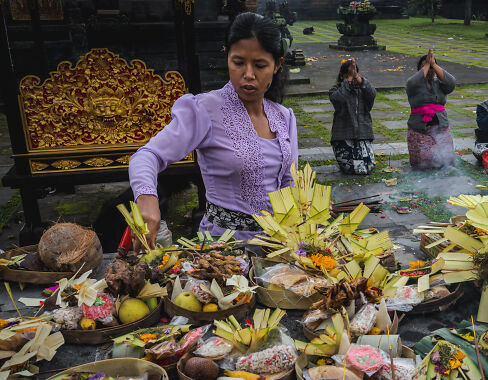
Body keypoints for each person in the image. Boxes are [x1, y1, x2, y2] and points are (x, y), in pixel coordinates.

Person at [129, 12, 298, 248]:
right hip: (222, 249)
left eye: (260, 65)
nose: (248, 74)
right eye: (238, 63)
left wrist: (306, 209)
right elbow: (147, 156)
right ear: (227, 57)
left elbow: (289, 183)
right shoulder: (204, 110)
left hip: (278, 247)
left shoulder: (283, 117)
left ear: (277, 65)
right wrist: (147, 198)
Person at [405, 48, 456, 169]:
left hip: (441, 127)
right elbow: (412, 82)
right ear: (420, 70)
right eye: (425, 68)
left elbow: (452, 83)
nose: (429, 70)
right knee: (424, 161)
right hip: (420, 128)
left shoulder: (440, 85)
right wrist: (427, 64)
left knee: (446, 160)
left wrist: (433, 64)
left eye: (431, 68)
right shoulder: (414, 85)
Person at [329, 58, 377, 175]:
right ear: (342, 76)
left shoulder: (363, 89)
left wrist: (359, 79)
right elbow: (339, 99)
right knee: (350, 168)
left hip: (362, 135)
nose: (352, 77)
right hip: (343, 136)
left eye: (354, 74)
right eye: (348, 75)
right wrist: (348, 81)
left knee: (368, 167)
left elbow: (372, 94)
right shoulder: (335, 90)